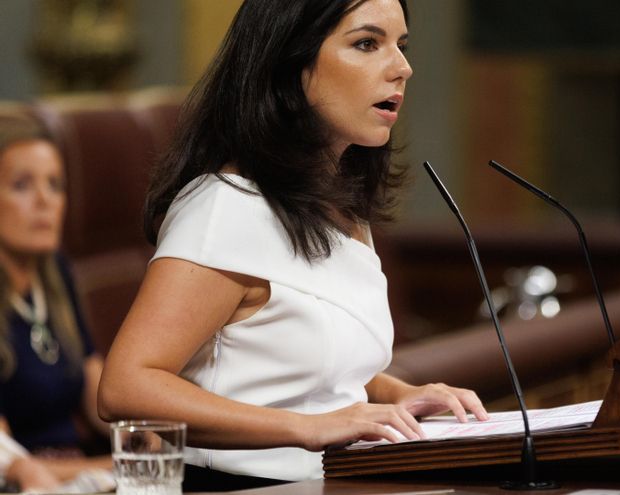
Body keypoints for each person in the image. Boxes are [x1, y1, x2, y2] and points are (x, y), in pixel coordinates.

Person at [97, 0, 489, 490]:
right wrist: (306, 430)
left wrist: (397, 395)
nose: (402, 67)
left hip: (331, 482)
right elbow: (126, 387)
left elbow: (303, 371)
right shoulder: (226, 209)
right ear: (289, 64)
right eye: (367, 44)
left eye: (401, 46)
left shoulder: (339, 206)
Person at [0, 113, 112, 492]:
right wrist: (117, 464)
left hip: (82, 471)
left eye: (55, 184)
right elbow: (8, 457)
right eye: (21, 185)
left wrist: (146, 433)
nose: (45, 201)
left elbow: (101, 396)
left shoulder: (57, 274)